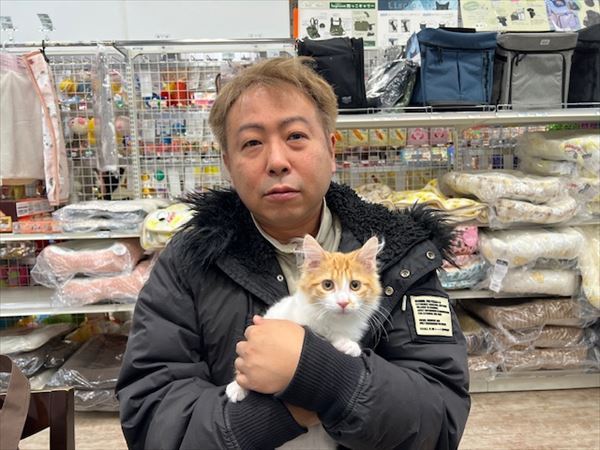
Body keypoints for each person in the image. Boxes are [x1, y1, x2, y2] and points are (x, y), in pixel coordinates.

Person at [116, 56, 470, 449]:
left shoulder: (402, 255)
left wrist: (329, 381)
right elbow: (151, 420)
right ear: (228, 164)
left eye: (296, 136)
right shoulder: (189, 264)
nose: (277, 162)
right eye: (252, 143)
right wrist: (280, 414)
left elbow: (439, 419)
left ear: (331, 150)